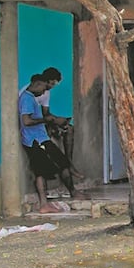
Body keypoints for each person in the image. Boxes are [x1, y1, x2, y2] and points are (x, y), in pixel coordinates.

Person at [20, 73, 87, 213]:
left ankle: (71, 191)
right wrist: (47, 120)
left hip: (41, 138)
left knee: (61, 162)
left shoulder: (32, 98)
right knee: (40, 171)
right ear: (37, 84)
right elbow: (26, 121)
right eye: (44, 88)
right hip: (34, 141)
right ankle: (44, 204)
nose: (45, 91)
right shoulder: (26, 99)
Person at [20, 66, 82, 182]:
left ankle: (68, 163)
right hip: (33, 130)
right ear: (44, 82)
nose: (51, 88)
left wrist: (57, 120)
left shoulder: (45, 92)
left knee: (68, 129)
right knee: (49, 145)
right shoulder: (27, 95)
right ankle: (63, 166)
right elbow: (27, 120)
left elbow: (46, 113)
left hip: (40, 124)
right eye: (52, 84)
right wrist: (52, 120)